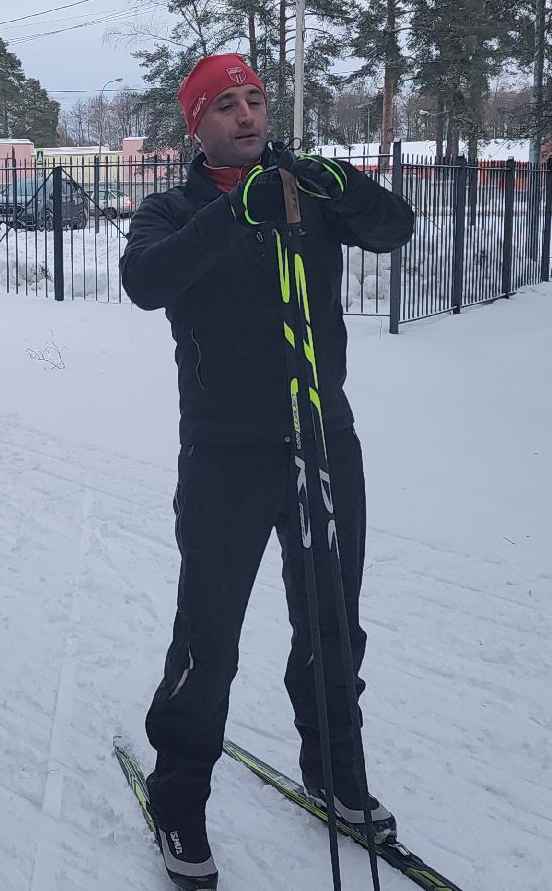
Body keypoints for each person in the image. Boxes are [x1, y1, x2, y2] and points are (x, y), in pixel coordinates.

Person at [119, 53, 417, 887]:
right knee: (208, 636)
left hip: (324, 442)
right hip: (226, 455)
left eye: (254, 100)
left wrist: (336, 183)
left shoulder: (301, 193)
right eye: (225, 106)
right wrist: (234, 216)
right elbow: (146, 283)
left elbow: (395, 228)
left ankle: (334, 768)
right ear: (196, 125)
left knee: (331, 621)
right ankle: (179, 793)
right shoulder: (169, 210)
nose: (246, 116)